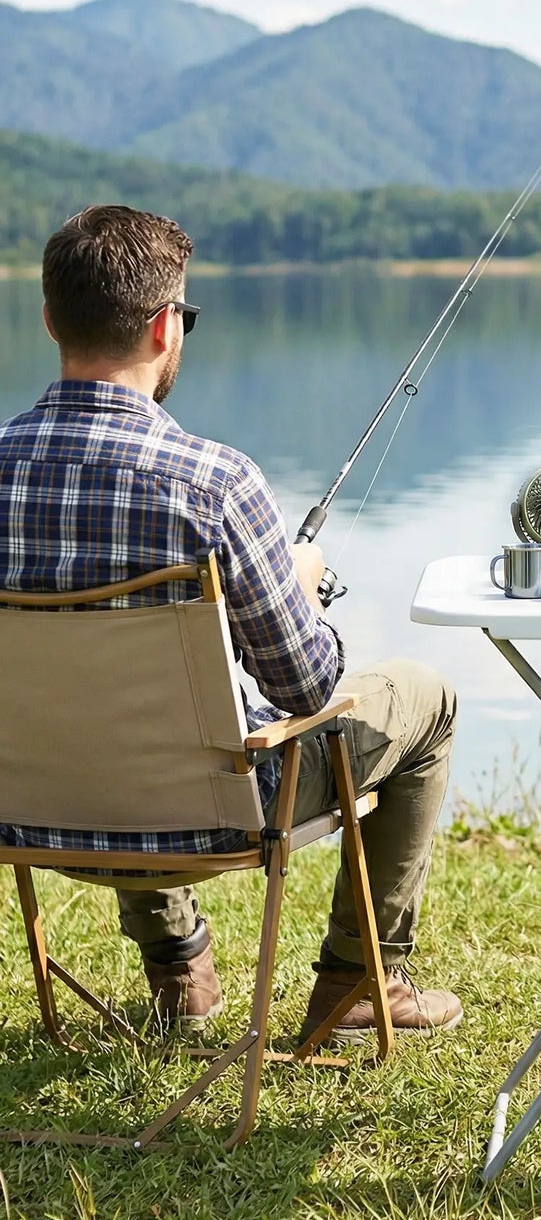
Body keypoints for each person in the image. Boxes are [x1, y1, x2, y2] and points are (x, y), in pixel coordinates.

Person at [0, 204, 462, 1045]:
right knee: (425, 699)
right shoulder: (215, 483)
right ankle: (361, 983)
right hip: (208, 814)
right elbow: (308, 686)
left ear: (48, 320)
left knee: (106, 702)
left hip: (27, 810)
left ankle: (180, 967)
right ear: (164, 325)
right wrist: (297, 588)